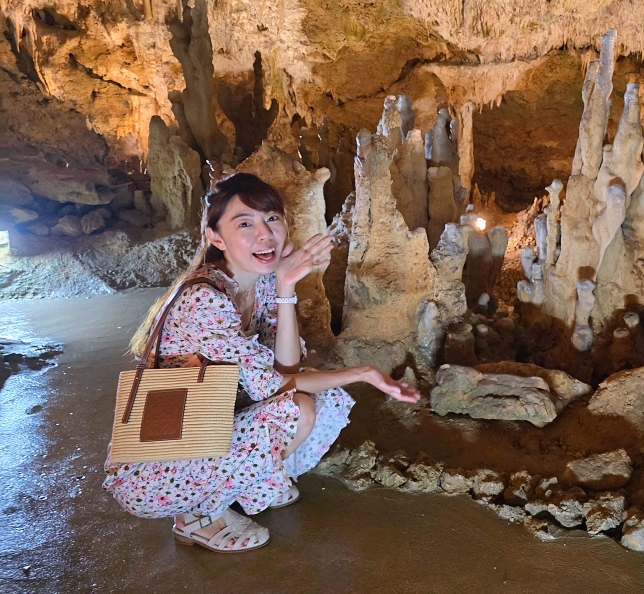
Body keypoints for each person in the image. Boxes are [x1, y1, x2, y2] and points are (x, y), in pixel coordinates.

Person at [103, 172, 418, 552]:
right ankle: (196, 517)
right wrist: (364, 373)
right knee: (294, 408)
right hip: (155, 466)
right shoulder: (204, 300)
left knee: (322, 398)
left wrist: (285, 289)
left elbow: (287, 369)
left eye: (272, 218)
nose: (265, 233)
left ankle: (240, 482)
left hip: (211, 427)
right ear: (216, 238)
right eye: (245, 223)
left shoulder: (261, 282)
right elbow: (278, 387)